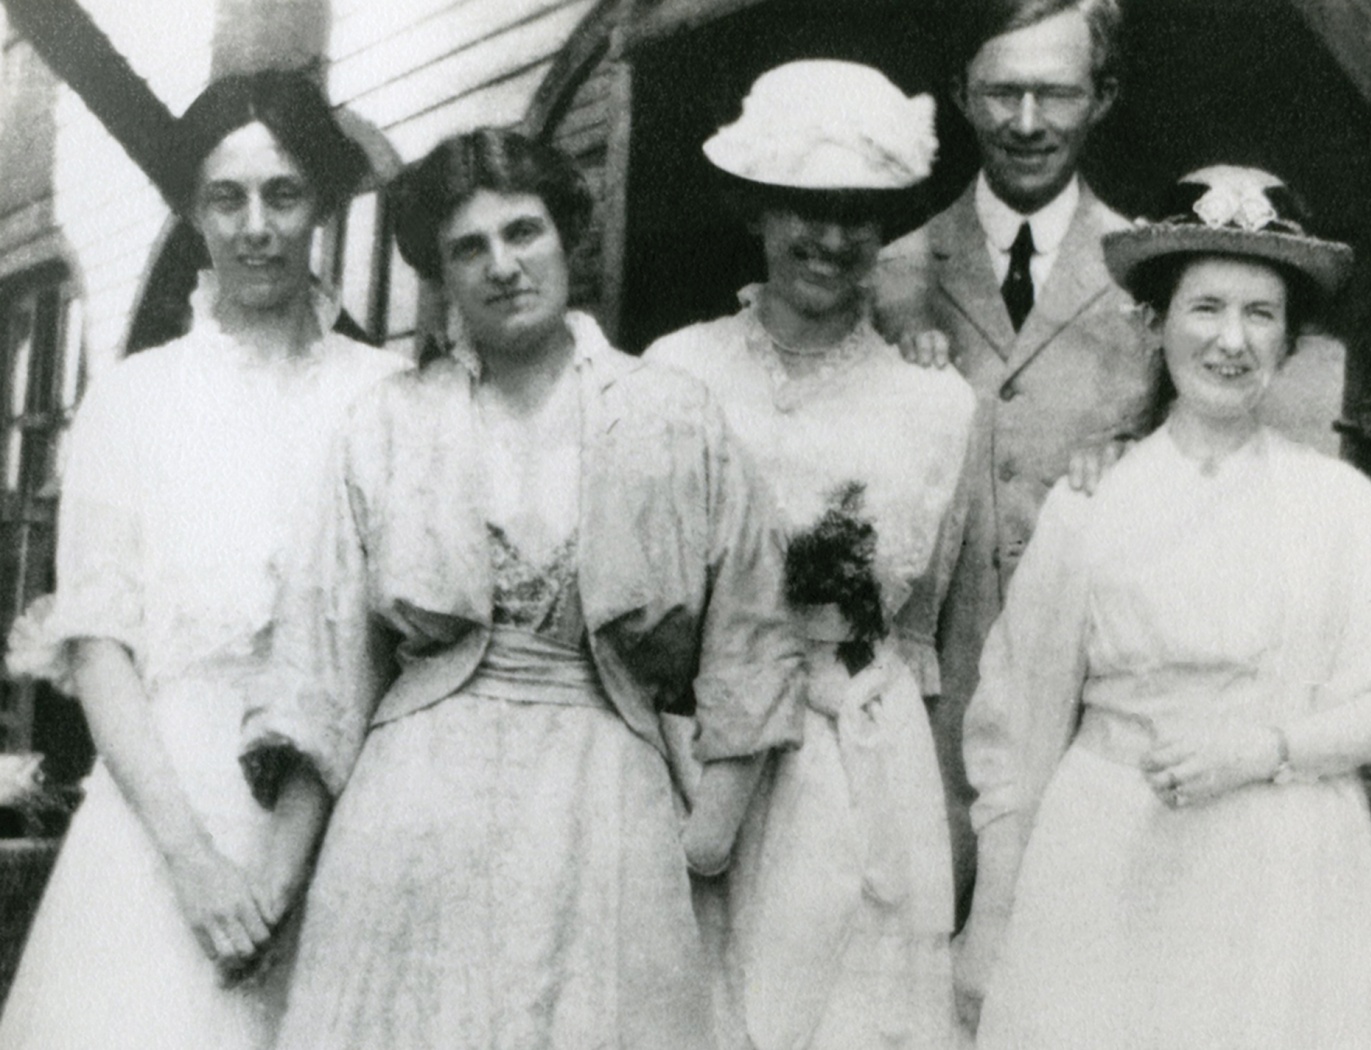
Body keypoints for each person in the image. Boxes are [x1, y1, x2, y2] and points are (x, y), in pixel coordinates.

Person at [251, 127, 804, 1050]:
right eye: (468, 248)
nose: (502, 266)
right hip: (417, 816)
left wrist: (706, 834)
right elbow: (322, 657)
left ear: (568, 235)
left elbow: (751, 630)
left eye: (523, 232)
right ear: (439, 271)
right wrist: (278, 877)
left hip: (607, 807)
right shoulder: (388, 423)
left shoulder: (670, 416)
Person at [0, 71, 405, 1049]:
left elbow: (380, 642)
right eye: (226, 198)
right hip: (160, 816)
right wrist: (194, 865)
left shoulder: (388, 398)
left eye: (283, 194)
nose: (256, 226)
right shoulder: (132, 400)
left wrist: (280, 874)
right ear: (193, 208)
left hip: (339, 816)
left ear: (324, 203)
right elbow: (99, 643)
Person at [959, 165, 1371, 1048]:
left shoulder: (1338, 505)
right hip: (1114, 853)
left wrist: (1266, 749)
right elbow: (1020, 721)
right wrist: (992, 920)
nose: (1230, 341)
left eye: (1260, 314)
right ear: (1157, 324)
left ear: (1289, 340)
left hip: (1288, 864)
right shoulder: (1092, 501)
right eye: (1205, 307)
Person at [646, 61, 975, 1050]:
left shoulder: (936, 407)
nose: (831, 239)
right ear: (755, 208)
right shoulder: (675, 372)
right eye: (805, 206)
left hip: (853, 769)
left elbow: (921, 640)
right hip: (689, 758)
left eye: (860, 213)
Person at [873, 0, 1162, 920]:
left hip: (1083, 731)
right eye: (1002, 92)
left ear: (1105, 95)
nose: (1027, 123)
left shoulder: (1154, 282)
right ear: (961, 94)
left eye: (1055, 92)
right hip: (921, 727)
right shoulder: (886, 272)